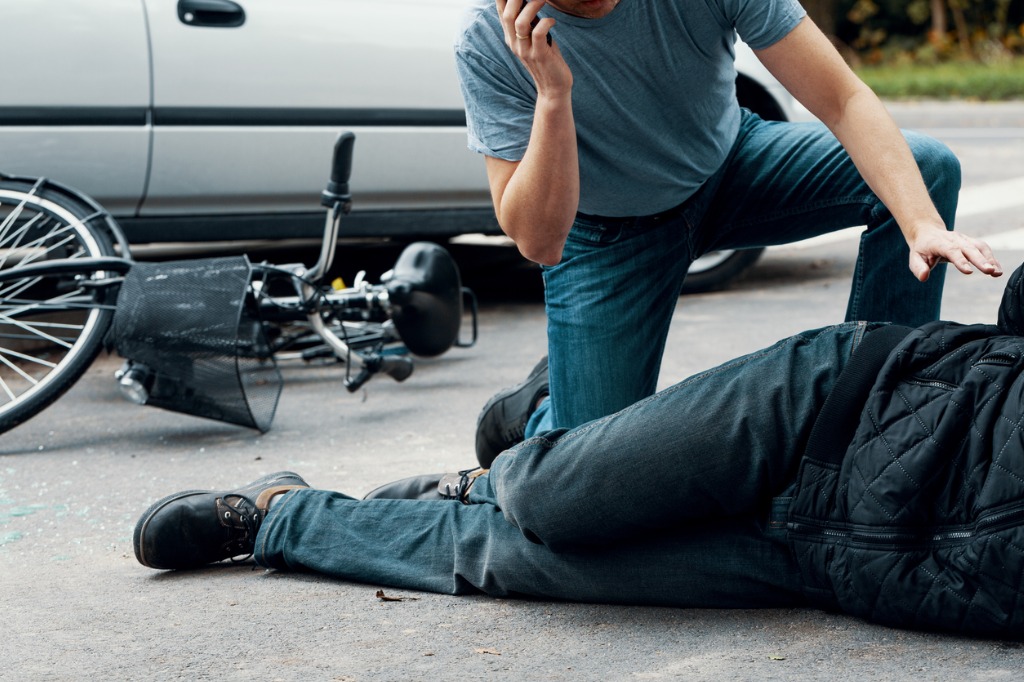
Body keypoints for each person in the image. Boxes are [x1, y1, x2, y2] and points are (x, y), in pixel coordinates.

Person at [134, 263, 1024, 639]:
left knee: (516, 557)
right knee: (549, 498)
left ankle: (281, 518)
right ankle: (534, 426)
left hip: (836, 556)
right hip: (840, 405)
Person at [457, 0, 1003, 466]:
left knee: (925, 167)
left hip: (732, 165)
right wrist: (553, 94)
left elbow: (843, 99)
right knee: (585, 475)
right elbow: (540, 242)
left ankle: (877, 427)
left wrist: (920, 223)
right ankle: (539, 405)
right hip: (608, 232)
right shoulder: (486, 39)